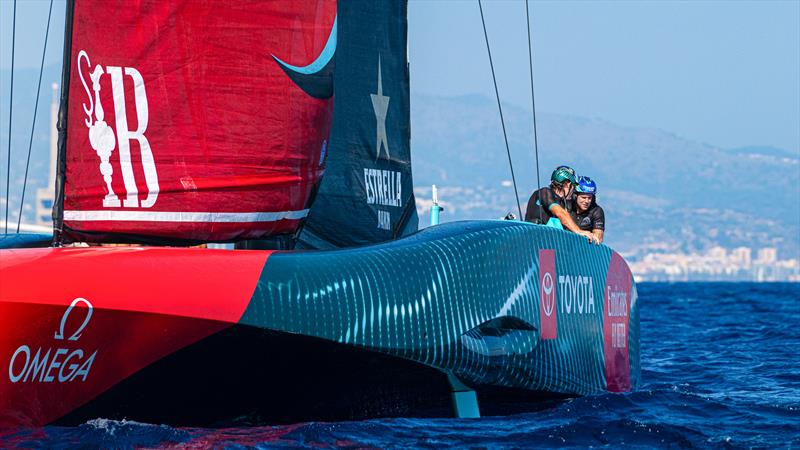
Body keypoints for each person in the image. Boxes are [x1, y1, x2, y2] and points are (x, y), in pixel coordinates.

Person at [525, 166, 600, 244]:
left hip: (548, 245)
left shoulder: (562, 202)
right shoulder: (545, 192)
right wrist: (579, 231)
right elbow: (559, 213)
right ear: (567, 184)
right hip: (533, 241)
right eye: (573, 186)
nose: (573, 190)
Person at [571, 176, 605, 244]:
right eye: (583, 197)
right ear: (575, 196)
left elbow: (598, 239)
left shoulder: (597, 211)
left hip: (581, 247)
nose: (587, 201)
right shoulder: (566, 206)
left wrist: (594, 237)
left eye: (589, 198)